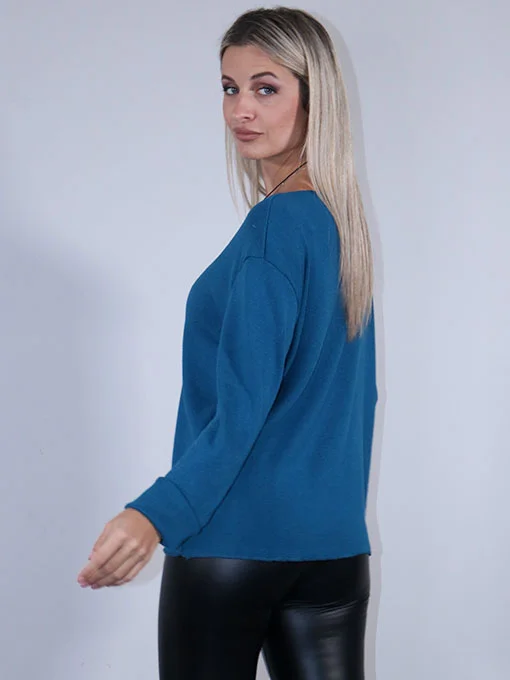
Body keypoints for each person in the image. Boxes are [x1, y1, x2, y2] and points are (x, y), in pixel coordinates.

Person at [77, 6, 378, 679]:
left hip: (234, 546)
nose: (242, 109)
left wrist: (153, 515)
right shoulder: (340, 227)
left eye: (266, 88)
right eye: (229, 87)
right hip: (333, 553)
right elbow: (359, 404)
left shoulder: (275, 229)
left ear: (315, 97)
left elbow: (240, 415)